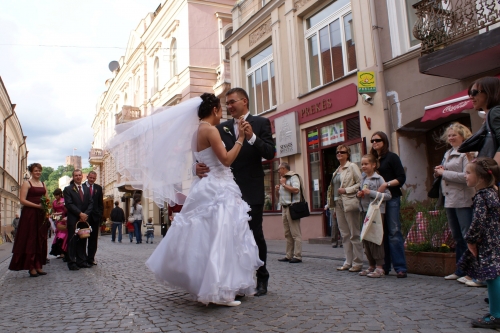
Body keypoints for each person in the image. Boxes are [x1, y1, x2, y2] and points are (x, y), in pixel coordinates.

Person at [142, 93, 263, 306]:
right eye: (220, 109)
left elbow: (200, 160)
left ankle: (220, 285)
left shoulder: (196, 132)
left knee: (208, 239)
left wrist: (194, 168)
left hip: (204, 187)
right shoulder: (211, 130)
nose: (222, 113)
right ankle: (220, 291)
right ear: (215, 110)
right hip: (218, 188)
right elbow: (225, 160)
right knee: (222, 237)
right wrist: (241, 140)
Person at [196, 87, 275, 297]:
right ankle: (237, 281)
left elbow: (270, 152)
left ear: (245, 101)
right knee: (229, 236)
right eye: (227, 104)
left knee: (255, 234)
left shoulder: (260, 123)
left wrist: (251, 137)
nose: (229, 107)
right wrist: (197, 167)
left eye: (232, 102)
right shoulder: (219, 128)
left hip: (251, 188)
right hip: (225, 191)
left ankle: (262, 277)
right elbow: (206, 153)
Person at [459, 157, 500, 329]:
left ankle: (496, 315)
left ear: (481, 178)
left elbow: (477, 221)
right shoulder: (494, 193)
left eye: (468, 173)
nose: (465, 175)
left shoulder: (482, 196)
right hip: (496, 239)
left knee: (492, 276)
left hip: (489, 242)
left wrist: (471, 240)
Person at [433, 123, 475, 281]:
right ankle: (460, 269)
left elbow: (467, 176)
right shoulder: (448, 153)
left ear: (463, 136)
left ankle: (472, 271)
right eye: (449, 135)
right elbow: (446, 173)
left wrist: (444, 173)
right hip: (449, 198)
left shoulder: (467, 153)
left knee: (467, 236)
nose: (450, 138)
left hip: (463, 198)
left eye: (454, 135)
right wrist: (439, 172)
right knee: (457, 236)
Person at [370, 131, 408, 278]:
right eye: (372, 141)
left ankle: (400, 267)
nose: (374, 143)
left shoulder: (391, 157)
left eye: (378, 140)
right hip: (377, 199)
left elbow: (401, 178)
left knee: (394, 232)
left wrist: (386, 184)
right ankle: (384, 266)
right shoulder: (373, 159)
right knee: (381, 232)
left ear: (384, 141)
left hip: (392, 197)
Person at [8, 163, 50, 277]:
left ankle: (38, 265)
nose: (38, 173)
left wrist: (46, 207)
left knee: (40, 239)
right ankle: (31, 267)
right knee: (31, 239)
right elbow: (22, 200)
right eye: (36, 171)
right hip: (30, 215)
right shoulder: (27, 183)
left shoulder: (43, 184)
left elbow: (47, 198)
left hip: (41, 215)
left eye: (40, 171)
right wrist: (37, 206)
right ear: (31, 172)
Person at [328, 145, 363, 272]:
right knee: (345, 235)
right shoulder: (336, 171)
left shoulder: (352, 166)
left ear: (347, 154)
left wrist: (347, 190)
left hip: (349, 202)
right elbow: (332, 190)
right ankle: (348, 261)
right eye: (337, 152)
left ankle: (358, 262)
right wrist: (331, 206)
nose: (339, 154)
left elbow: (360, 183)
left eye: (342, 152)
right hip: (338, 203)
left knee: (354, 233)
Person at [356, 154, 391, 278]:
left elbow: (388, 196)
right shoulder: (363, 178)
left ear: (373, 165)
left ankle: (380, 267)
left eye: (366, 164)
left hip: (376, 212)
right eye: (362, 164)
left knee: (375, 239)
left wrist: (370, 193)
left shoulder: (378, 179)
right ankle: (371, 265)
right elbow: (361, 192)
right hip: (364, 211)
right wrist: (359, 194)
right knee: (366, 239)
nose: (363, 166)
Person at [63, 169, 93, 271]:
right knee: (72, 241)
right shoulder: (68, 189)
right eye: (76, 175)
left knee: (83, 239)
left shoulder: (86, 188)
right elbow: (69, 204)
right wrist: (80, 213)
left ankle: (81, 261)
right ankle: (72, 262)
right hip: (74, 219)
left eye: (80, 175)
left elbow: (91, 203)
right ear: (73, 177)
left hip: (84, 219)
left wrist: (85, 215)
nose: (78, 177)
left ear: (82, 176)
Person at [275, 162, 303, 263]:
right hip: (284, 208)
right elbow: (279, 197)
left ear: (283, 169)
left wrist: (283, 184)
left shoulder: (293, 177)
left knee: (295, 233)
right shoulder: (283, 180)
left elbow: (296, 190)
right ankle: (288, 255)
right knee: (287, 233)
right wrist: (277, 190)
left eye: (279, 169)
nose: (278, 171)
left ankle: (298, 255)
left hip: (292, 207)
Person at [468, 77, 500, 164]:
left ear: (489, 92)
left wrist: (492, 170)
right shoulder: (491, 115)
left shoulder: (494, 112)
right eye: (470, 93)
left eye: (474, 93)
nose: (471, 97)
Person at [83, 171, 103, 265]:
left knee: (93, 239)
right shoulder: (82, 187)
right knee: (83, 237)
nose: (92, 180)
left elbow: (100, 203)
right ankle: (82, 258)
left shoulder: (98, 188)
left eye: (93, 178)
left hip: (95, 217)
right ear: (87, 177)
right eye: (90, 178)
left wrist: (99, 215)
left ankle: (91, 258)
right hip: (84, 217)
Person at [49, 188, 68, 260]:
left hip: (64, 219)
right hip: (58, 219)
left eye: (57, 195)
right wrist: (53, 215)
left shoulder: (64, 201)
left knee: (64, 235)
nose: (56, 197)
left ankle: (64, 251)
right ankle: (60, 252)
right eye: (55, 195)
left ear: (60, 194)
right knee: (58, 234)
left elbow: (66, 210)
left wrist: (60, 212)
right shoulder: (54, 202)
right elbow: (53, 210)